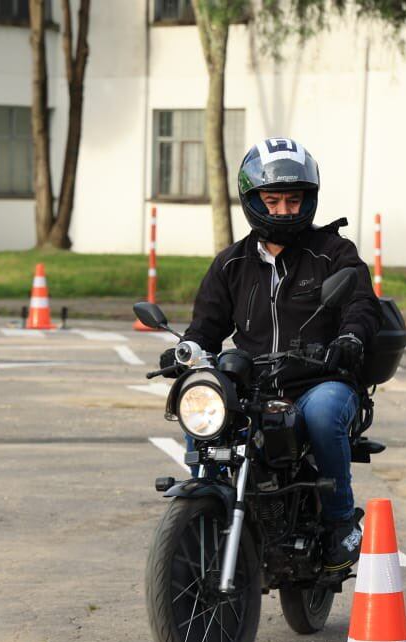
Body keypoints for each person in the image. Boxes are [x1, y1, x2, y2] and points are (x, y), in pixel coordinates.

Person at [162, 137, 381, 573]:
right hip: (255, 385)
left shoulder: (333, 253)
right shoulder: (231, 264)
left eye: (293, 200)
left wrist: (350, 340)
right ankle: (202, 507)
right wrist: (187, 353)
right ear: (253, 199)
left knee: (321, 416)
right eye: (273, 199)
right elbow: (206, 326)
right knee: (206, 407)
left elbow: (360, 304)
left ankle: (340, 522)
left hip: (321, 380)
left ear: (309, 200)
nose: (284, 210)